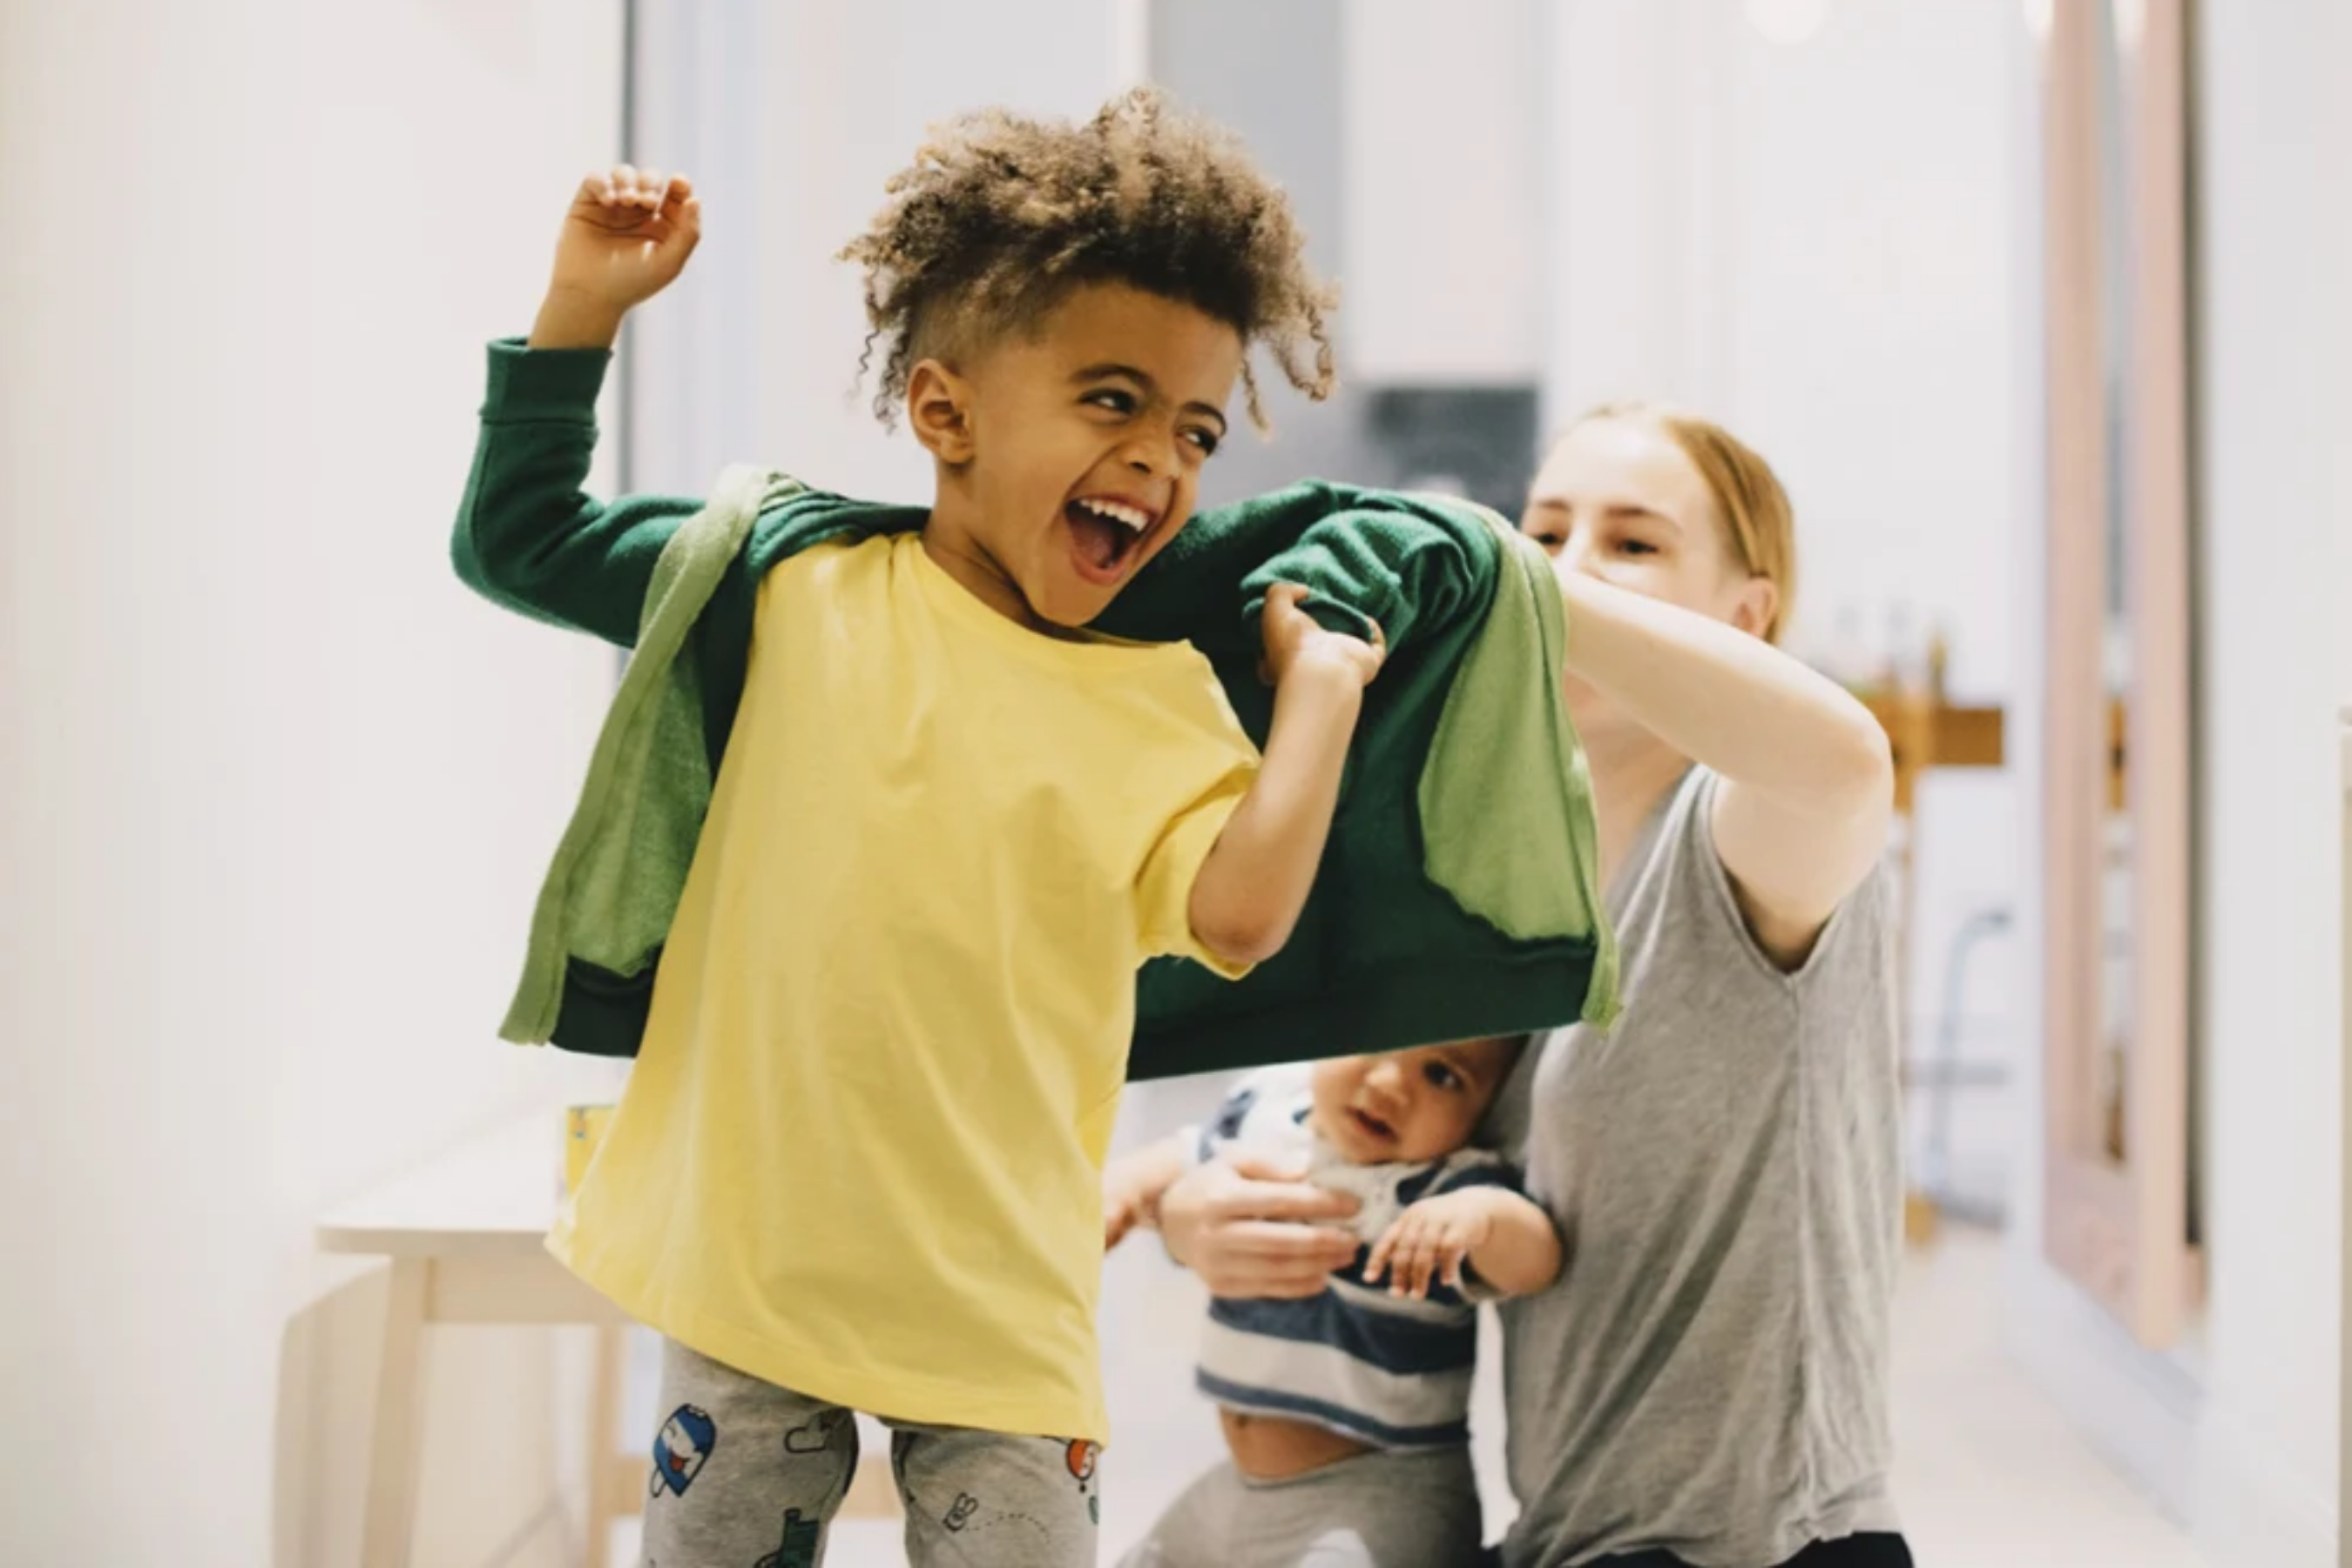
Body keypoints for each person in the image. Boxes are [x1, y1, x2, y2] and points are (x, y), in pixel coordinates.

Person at [454, 91, 1382, 1568]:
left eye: (1195, 429)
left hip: (1003, 1299)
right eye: (1113, 400)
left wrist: (1317, 696)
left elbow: (1239, 917)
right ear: (944, 412)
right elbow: (521, 543)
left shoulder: (1161, 703)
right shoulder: (788, 588)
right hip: (756, 1264)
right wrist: (580, 309)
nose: (1161, 458)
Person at [1150, 406, 1912, 1568]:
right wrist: (1193, 1212)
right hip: (1568, 1538)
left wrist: (1507, 573)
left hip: (1751, 1550)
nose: (1567, 567)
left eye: (1634, 543)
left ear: (1747, 617)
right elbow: (1359, 1132)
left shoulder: (1737, 837)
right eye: (1546, 531)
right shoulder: (1508, 874)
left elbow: (1849, 765)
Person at [1105, 1040, 1559, 1567]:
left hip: (1379, 1495)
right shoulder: (1274, 1114)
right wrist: (1118, 1193)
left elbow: (1537, 1261)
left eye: (1442, 1075)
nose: (1390, 1084)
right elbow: (1180, 1154)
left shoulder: (1439, 1189)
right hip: (1235, 1485)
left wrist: (1483, 1216)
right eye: (1376, 1039)